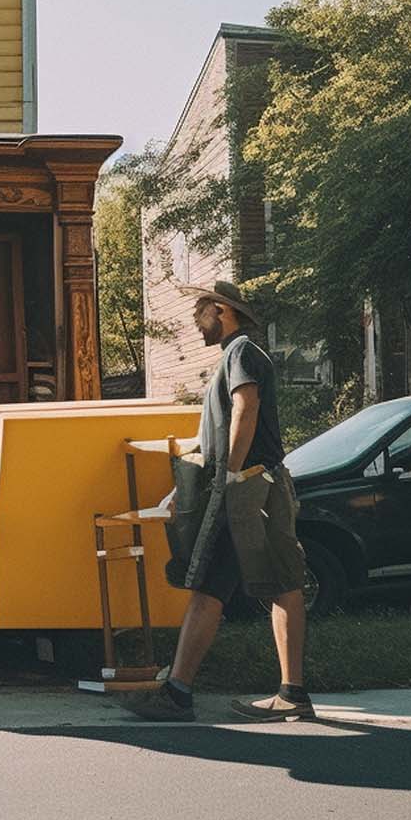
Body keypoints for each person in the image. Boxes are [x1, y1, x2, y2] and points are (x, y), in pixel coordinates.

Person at [121, 281, 313, 722]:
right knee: (237, 582)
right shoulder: (238, 354)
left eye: (199, 308)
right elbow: (220, 429)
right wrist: (185, 468)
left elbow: (245, 411)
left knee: (248, 583)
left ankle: (184, 692)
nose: (194, 317)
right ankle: (277, 692)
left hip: (248, 484)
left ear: (222, 310)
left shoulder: (242, 352)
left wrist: (228, 476)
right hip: (249, 482)